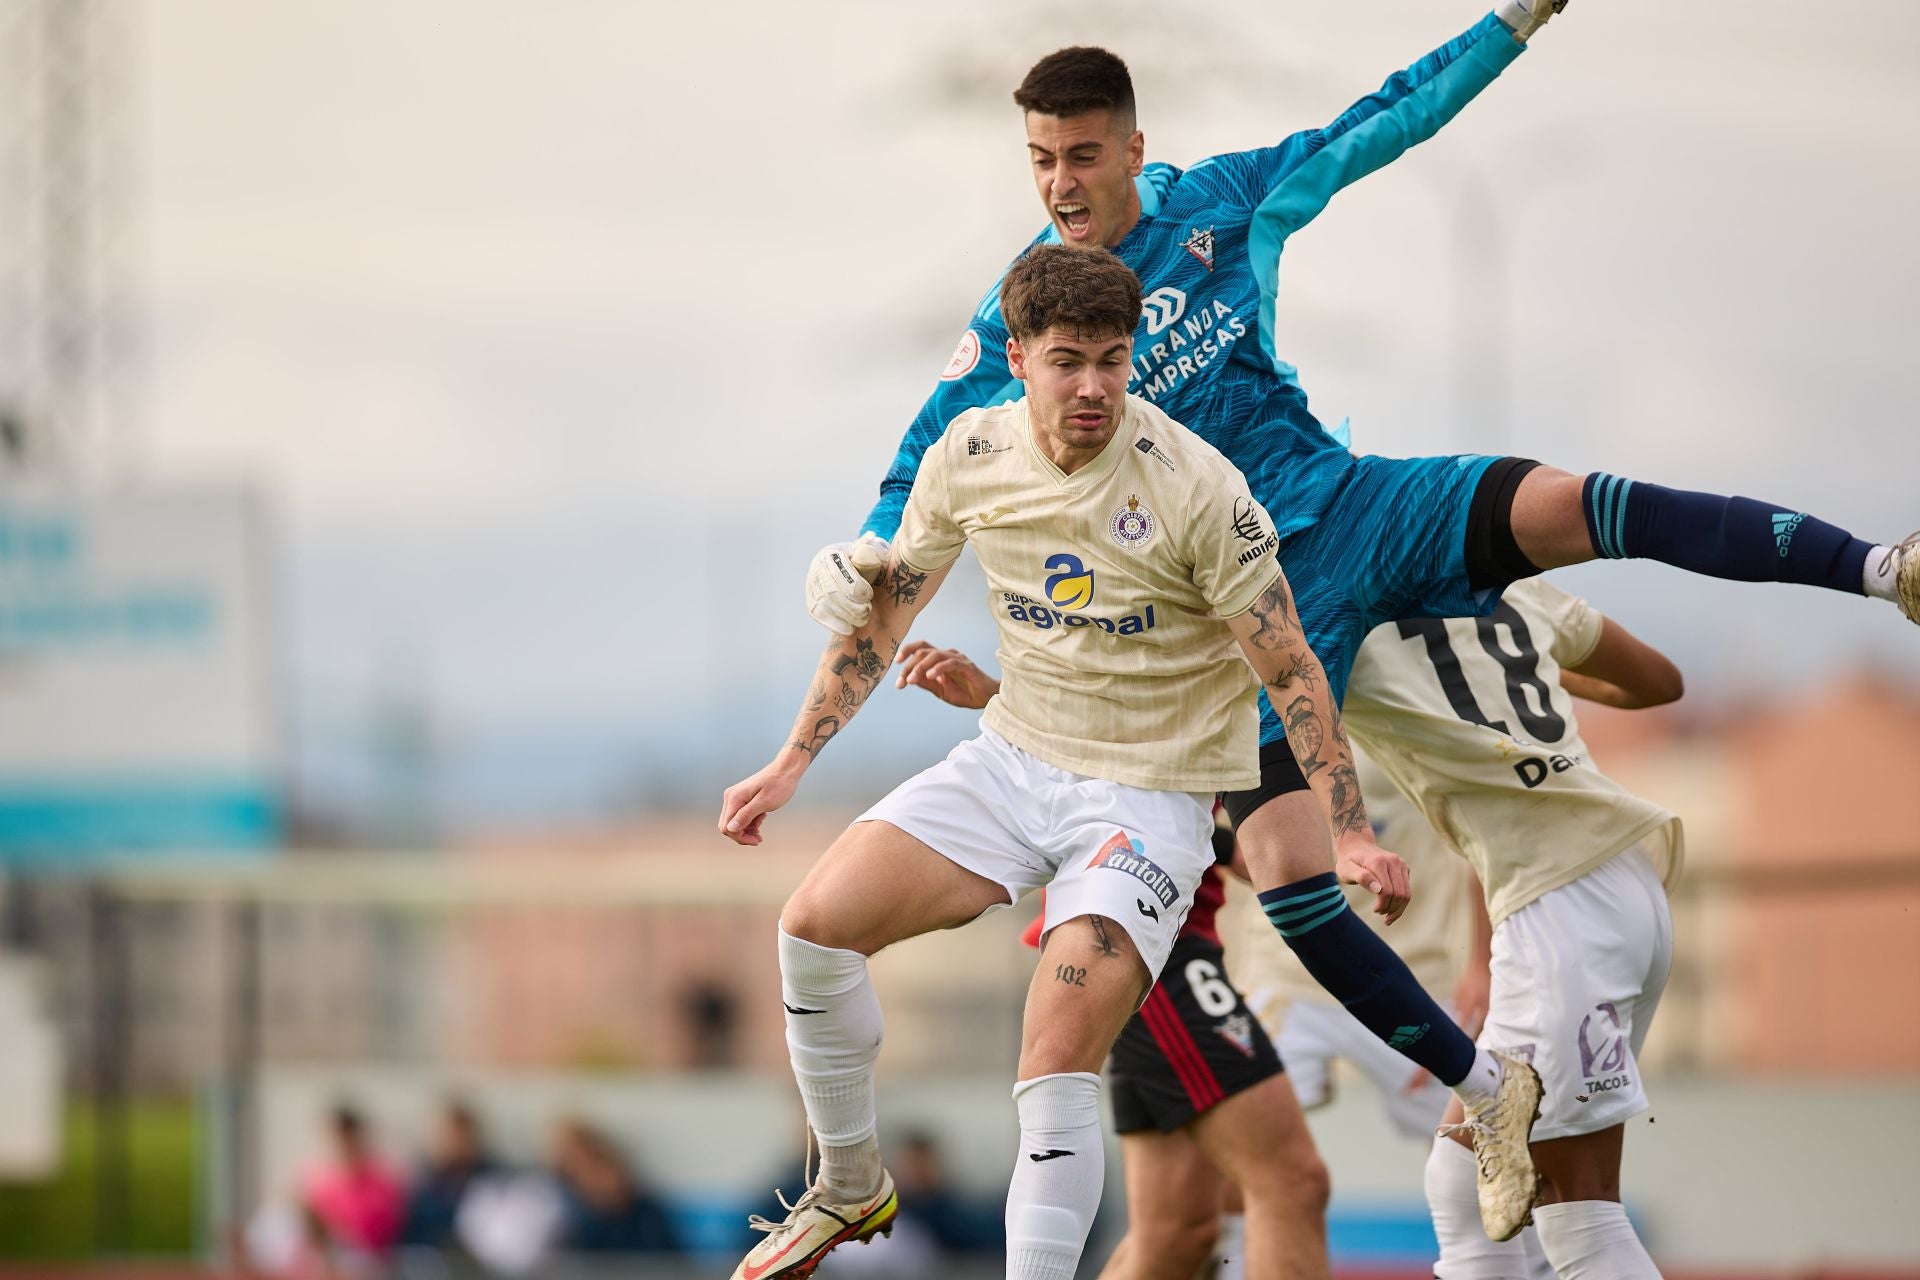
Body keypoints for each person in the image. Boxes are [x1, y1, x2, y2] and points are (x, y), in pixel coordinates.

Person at [802, 0, 1917, 1235]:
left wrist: (1513, 22)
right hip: (1259, 607)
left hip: (1357, 500)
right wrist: (866, 550)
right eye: (1041, 161)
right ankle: (1486, 1092)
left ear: (1129, 146)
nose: (1061, 184)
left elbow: (1382, 121)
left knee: (1569, 500)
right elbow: (924, 461)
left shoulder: (1227, 202)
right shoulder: (1028, 314)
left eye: (1080, 153)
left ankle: (1881, 568)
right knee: (1290, 886)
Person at [717, 245, 1534, 1280]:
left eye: (1113, 358)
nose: (1095, 384)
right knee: (812, 927)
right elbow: (885, 613)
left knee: (1052, 1053)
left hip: (1146, 802)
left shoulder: (1196, 486)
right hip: (1013, 764)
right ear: (1017, 359)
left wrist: (1351, 823)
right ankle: (848, 1181)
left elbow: (1289, 668)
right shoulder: (966, 455)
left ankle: (1491, 1090)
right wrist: (791, 762)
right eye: (1069, 361)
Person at [893, 573, 1685, 1277]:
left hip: (1418, 968)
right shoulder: (1287, 642)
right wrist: (999, 695)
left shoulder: (1334, 651)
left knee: (1184, 1228)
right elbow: (1127, 740)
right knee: (1291, 1186)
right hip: (1192, 955)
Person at [900, 645, 1337, 1280]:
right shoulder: (1224, 612)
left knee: (1179, 1234)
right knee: (1292, 1183)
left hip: (1152, 943)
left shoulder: (1203, 636)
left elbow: (1117, 732)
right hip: (1155, 949)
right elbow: (1108, 762)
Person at [401, 1098, 500, 1250]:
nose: (453, 1143)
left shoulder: (493, 1181)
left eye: (459, 1136)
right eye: (446, 1136)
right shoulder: (424, 1184)